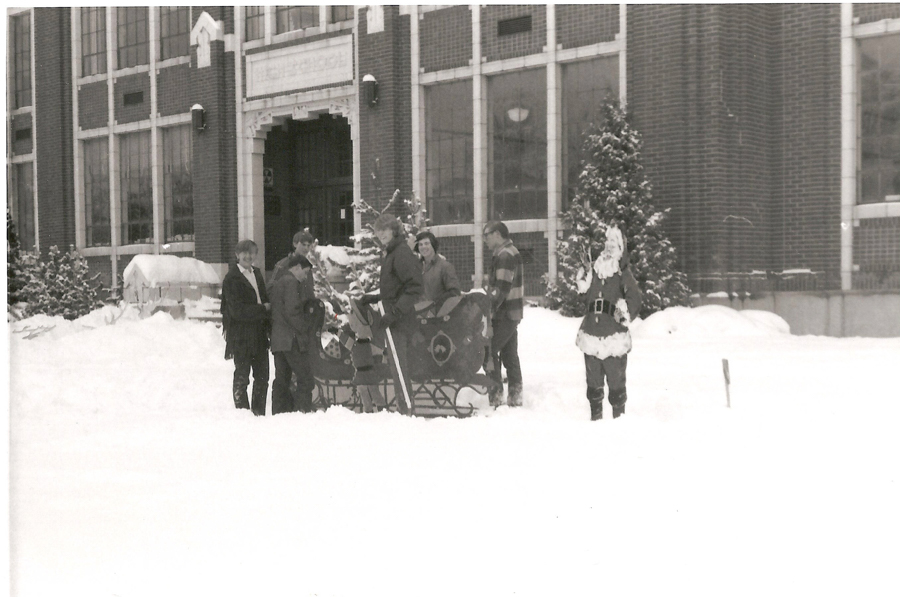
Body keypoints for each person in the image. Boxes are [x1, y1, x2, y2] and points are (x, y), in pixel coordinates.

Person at [573, 225, 642, 420]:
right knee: (593, 382)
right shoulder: (595, 270)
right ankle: (596, 419)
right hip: (591, 334)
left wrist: (622, 313)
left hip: (613, 337)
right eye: (608, 241)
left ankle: (618, 420)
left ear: (621, 247)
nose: (609, 246)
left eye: (615, 242)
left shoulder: (623, 273)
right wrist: (582, 285)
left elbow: (634, 300)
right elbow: (584, 300)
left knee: (616, 382)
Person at [360, 214, 424, 415]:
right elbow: (395, 289)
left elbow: (414, 287)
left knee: (399, 364)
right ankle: (404, 408)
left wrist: (395, 311)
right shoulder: (391, 253)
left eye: (385, 230)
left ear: (394, 230)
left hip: (399, 320)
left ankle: (406, 410)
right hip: (394, 318)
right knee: (397, 365)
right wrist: (376, 298)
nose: (380, 234)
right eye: (378, 231)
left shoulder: (401, 253)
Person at [221, 239, 271, 416]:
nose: (248, 256)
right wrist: (262, 309)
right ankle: (243, 415)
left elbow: (264, 298)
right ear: (237, 255)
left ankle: (258, 414)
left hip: (258, 332)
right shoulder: (231, 278)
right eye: (244, 253)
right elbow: (237, 310)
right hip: (241, 334)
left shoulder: (256, 273)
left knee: (263, 377)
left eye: (251, 253)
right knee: (242, 377)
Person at [482, 221, 524, 408]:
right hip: (511, 313)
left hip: (503, 314)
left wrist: (488, 308)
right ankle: (515, 398)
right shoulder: (510, 251)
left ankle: (496, 398)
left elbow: (501, 288)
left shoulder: (505, 255)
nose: (485, 240)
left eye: (487, 235)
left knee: (488, 353)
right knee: (509, 355)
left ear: (497, 234)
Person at [270, 254, 317, 415]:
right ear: (296, 267)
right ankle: (301, 415)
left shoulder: (280, 282)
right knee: (306, 379)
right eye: (305, 272)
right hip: (292, 339)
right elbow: (293, 311)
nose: (305, 277)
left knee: (282, 380)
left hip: (279, 340)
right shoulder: (291, 282)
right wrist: (306, 327)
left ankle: (279, 414)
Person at [415, 230, 461, 308]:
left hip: (438, 315)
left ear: (433, 245)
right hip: (418, 314)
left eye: (426, 243)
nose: (423, 247)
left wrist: (436, 303)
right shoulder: (415, 268)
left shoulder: (445, 267)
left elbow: (454, 292)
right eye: (420, 244)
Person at [268, 229, 314, 294]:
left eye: (308, 245)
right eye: (303, 245)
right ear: (295, 244)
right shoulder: (283, 264)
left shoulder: (308, 266)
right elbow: (272, 288)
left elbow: (310, 289)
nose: (306, 248)